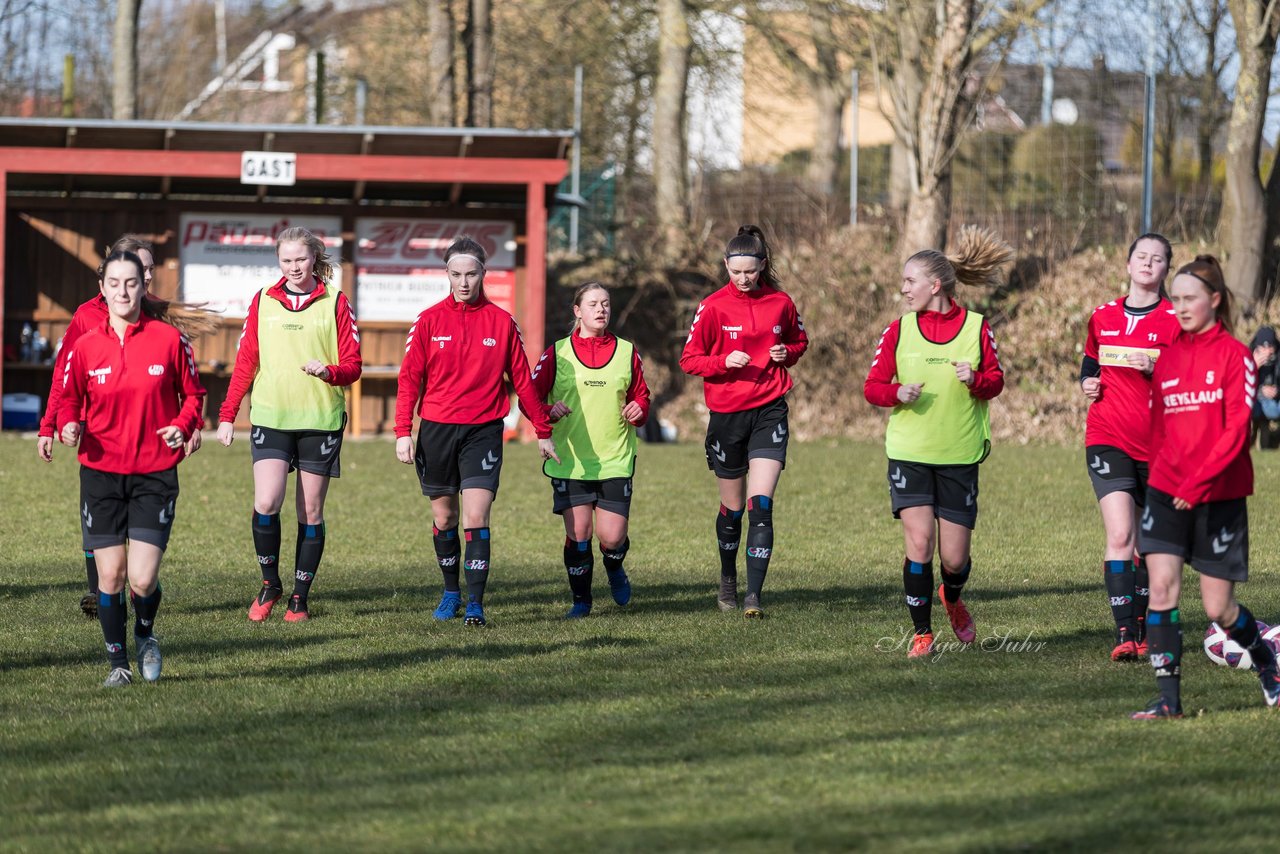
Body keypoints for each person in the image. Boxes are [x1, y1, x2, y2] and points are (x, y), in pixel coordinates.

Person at [1131, 255, 1280, 718]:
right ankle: (1169, 701)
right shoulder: (1170, 358)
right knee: (1161, 591)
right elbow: (1158, 432)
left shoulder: (1236, 356)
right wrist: (1158, 488)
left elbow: (1237, 432)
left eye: (1190, 298)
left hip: (1219, 495)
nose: (1180, 306)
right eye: (1175, 299)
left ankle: (1266, 663)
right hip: (1168, 493)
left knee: (1218, 609)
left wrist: (1196, 483)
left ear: (1214, 300)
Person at [36, 234, 215, 619]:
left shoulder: (158, 318)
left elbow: (185, 384)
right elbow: (65, 377)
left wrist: (190, 424)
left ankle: (142, 586)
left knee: (141, 560)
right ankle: (99, 589)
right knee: (102, 523)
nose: (145, 276)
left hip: (150, 445)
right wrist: (52, 424)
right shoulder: (87, 317)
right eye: (139, 267)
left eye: (149, 269)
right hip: (99, 440)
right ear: (110, 273)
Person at [863, 226, 1011, 659]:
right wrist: (897, 393)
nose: (904, 289)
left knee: (953, 559)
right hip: (908, 453)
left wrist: (976, 380)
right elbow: (872, 387)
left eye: (910, 281)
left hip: (960, 454)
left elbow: (997, 383)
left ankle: (952, 595)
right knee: (920, 544)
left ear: (935, 285)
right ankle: (922, 634)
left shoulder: (978, 328)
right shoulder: (898, 331)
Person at [395, 235, 557, 627]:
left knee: (476, 515)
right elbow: (409, 378)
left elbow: (523, 380)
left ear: (483, 273)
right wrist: (404, 430)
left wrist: (542, 429)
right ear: (446, 275)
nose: (464, 282)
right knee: (445, 517)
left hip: (483, 431)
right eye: (456, 275)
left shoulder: (501, 323)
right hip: (435, 430)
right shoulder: (429, 320)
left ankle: (476, 604)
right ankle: (451, 591)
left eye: (471, 274)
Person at [216, 227, 362, 623]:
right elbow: (246, 360)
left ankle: (300, 594)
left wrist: (329, 371)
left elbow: (353, 366)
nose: (294, 267)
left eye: (301, 259)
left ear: (314, 257)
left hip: (319, 419)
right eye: (286, 260)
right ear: (278, 261)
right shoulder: (263, 300)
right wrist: (228, 415)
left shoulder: (336, 301)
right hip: (270, 416)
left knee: (309, 510)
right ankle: (270, 585)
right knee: (266, 502)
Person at [679, 225, 809, 618]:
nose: (743, 278)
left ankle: (753, 595)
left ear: (763, 265)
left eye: (750, 271)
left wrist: (788, 352)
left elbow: (800, 341)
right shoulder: (713, 306)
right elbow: (689, 360)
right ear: (726, 267)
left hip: (770, 409)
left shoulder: (781, 303)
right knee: (733, 509)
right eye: (736, 272)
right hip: (727, 417)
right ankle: (727, 579)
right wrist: (722, 362)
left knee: (761, 504)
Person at [1079, 234, 1182, 662]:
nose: (1148, 263)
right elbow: (1090, 360)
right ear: (1127, 264)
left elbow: (1194, 376)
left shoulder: (1177, 320)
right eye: (1141, 256)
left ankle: (1142, 627)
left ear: (1165, 271)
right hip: (1108, 436)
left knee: (1147, 545)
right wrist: (1086, 382)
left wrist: (1159, 366)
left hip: (1160, 446)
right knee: (1120, 534)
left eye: (1157, 259)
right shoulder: (1102, 315)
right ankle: (1124, 634)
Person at [532, 282, 651, 618]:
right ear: (577, 311)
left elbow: (641, 395)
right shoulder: (557, 353)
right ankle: (581, 601)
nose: (601, 310)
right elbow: (531, 397)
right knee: (580, 532)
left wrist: (639, 409)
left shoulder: (627, 351)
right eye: (593, 304)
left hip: (615, 457)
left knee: (611, 538)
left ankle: (614, 567)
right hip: (571, 461)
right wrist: (547, 412)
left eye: (606, 304)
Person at [1248, 326, 1279, 448]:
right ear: (1257, 347)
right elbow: (1239, 387)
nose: (1268, 351)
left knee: (1272, 410)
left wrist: (1277, 391)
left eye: (1271, 346)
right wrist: (1253, 367)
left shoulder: (1278, 358)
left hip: (1274, 402)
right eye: (1263, 347)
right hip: (1255, 401)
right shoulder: (1247, 358)